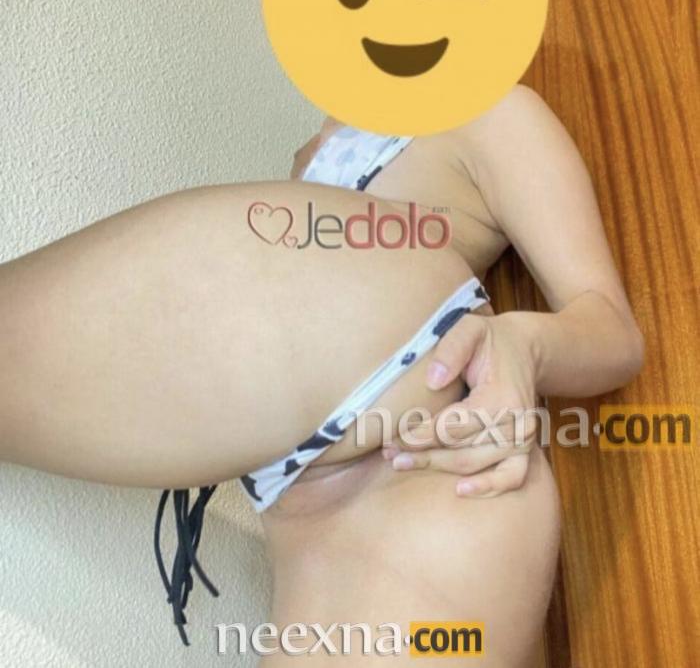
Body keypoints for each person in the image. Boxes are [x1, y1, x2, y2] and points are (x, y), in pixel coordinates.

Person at [0, 84, 643, 663]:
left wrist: (523, 344)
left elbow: (612, 330)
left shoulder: (485, 107)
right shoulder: (311, 151)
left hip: (424, 452)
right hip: (311, 492)